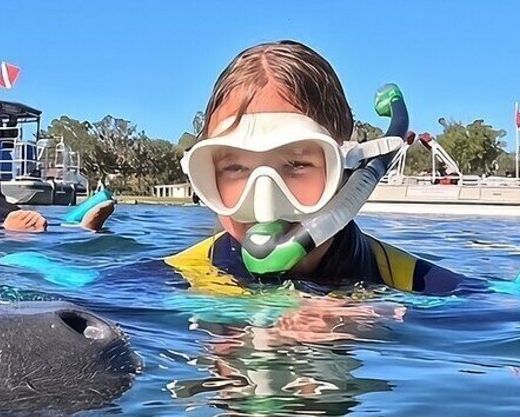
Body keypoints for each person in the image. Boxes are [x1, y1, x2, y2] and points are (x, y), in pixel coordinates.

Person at [167, 40, 462, 295]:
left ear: (348, 170)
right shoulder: (173, 280)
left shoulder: (410, 283)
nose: (265, 205)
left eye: (296, 164)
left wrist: (383, 323)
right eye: (235, 168)